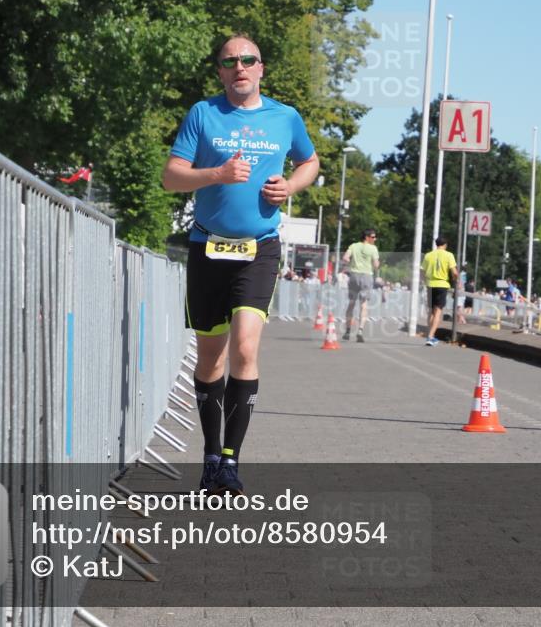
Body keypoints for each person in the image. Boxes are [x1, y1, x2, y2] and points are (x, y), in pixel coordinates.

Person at [162, 34, 320, 494]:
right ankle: (211, 455)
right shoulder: (203, 113)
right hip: (207, 245)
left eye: (248, 60)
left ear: (261, 68)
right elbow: (172, 177)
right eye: (230, 62)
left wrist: (290, 187)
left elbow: (309, 161)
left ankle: (231, 460)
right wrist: (216, 174)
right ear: (221, 72)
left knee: (246, 348)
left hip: (260, 247)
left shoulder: (284, 117)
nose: (240, 67)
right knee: (210, 357)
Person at [342, 229, 380, 342]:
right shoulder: (373, 249)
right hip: (367, 276)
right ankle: (360, 330)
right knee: (364, 304)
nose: (375, 239)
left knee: (351, 303)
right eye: (373, 237)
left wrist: (349, 261)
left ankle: (348, 331)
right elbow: (376, 264)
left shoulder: (353, 246)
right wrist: (376, 266)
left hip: (354, 275)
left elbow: (345, 258)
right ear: (367, 237)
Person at [421, 236, 458, 346]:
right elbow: (454, 272)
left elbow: (422, 271)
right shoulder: (449, 255)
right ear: (445, 245)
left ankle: (429, 334)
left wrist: (425, 280)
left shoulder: (428, 255)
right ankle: (431, 336)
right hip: (442, 284)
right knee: (438, 311)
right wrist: (455, 280)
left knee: (431, 310)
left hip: (430, 284)